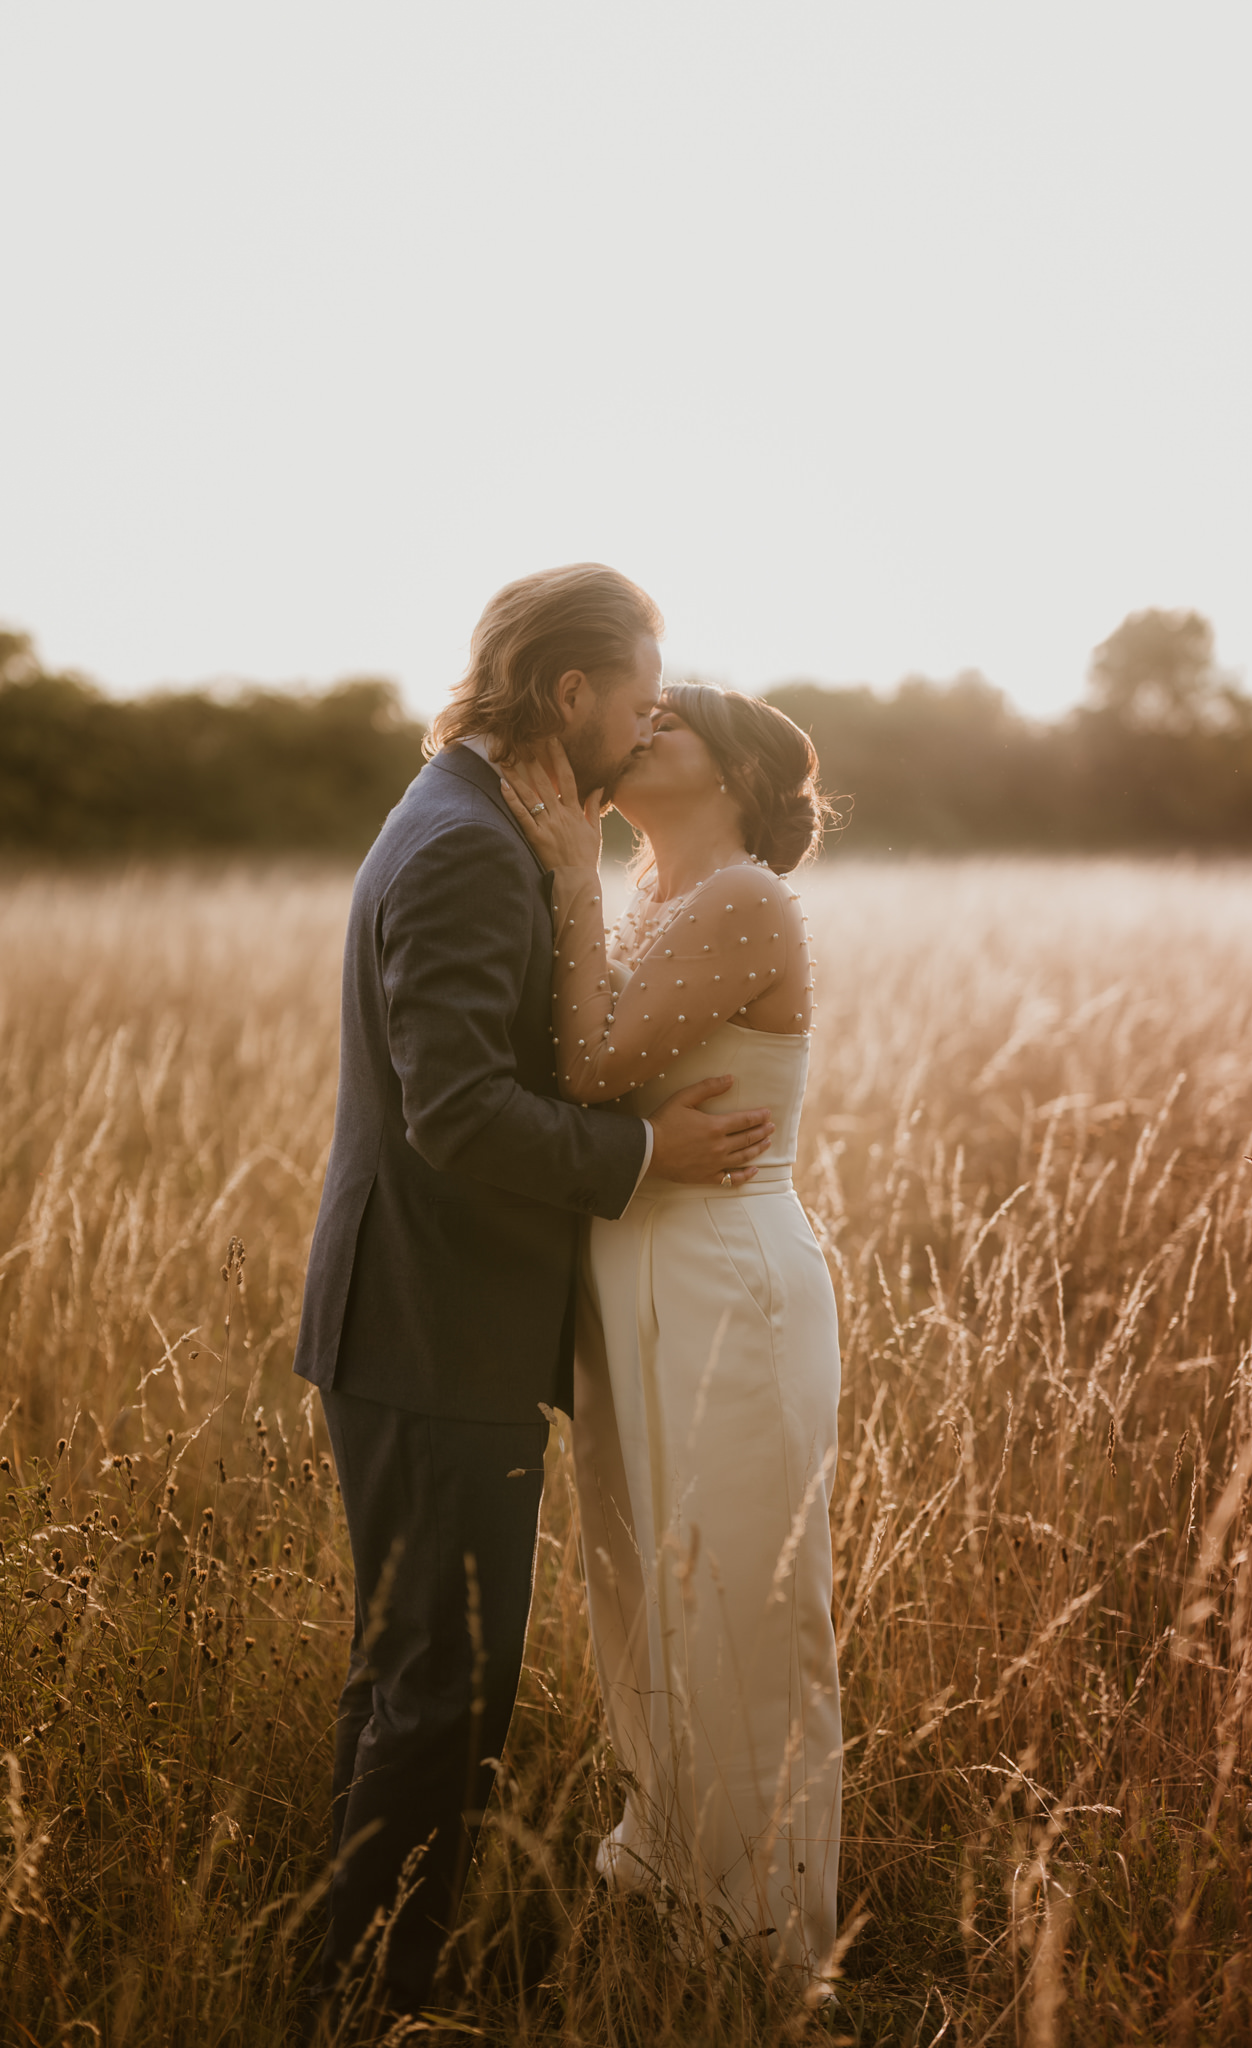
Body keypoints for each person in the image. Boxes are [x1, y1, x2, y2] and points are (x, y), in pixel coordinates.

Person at [292, 565, 777, 2018]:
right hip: (428, 1325)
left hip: (427, 1319)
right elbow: (455, 1113)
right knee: (443, 1692)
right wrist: (644, 1152)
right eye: (637, 693)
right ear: (569, 693)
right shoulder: (462, 846)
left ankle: (347, 1964)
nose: (648, 719)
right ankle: (373, 1995)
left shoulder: (475, 815)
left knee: (410, 1677)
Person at [500, 681, 843, 1988]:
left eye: (672, 722)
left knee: (740, 1603)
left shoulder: (745, 898)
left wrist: (571, 870)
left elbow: (584, 1069)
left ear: (740, 773)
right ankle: (670, 1880)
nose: (638, 731)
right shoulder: (652, 900)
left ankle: (764, 1939)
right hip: (626, 1266)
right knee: (640, 1584)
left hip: (724, 1276)